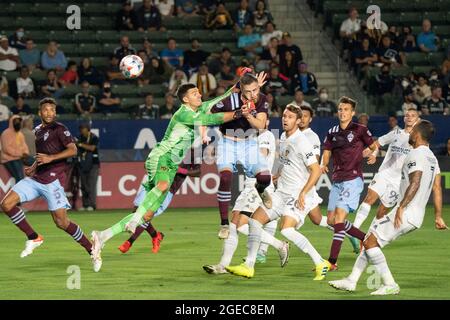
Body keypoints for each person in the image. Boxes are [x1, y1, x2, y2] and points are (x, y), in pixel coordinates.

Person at [90, 82, 243, 260]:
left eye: (199, 92)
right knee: (161, 186)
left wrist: (234, 89)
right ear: (185, 99)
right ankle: (133, 220)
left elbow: (216, 101)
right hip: (162, 157)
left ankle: (102, 236)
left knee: (147, 216)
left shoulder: (198, 110)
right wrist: (238, 113)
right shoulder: (184, 113)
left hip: (171, 167)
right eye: (194, 93)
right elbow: (212, 119)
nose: (199, 95)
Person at [330, 120, 447, 295]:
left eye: (412, 130)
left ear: (417, 134)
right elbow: (437, 188)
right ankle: (351, 280)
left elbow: (415, 182)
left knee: (370, 242)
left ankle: (390, 284)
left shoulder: (415, 155)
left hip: (406, 213)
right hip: (416, 215)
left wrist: (401, 206)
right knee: (370, 240)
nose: (409, 133)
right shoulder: (432, 158)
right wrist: (438, 215)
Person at [226, 105, 329, 280]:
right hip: (282, 192)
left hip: (296, 194)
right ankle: (248, 266)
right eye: (284, 116)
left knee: (287, 230)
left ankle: (320, 262)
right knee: (254, 221)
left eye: (289, 117)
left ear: (298, 121)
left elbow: (316, 170)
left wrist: (304, 193)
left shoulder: (302, 142)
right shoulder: (282, 137)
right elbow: (287, 162)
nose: (285, 119)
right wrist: (277, 175)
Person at [0, 98, 102, 271]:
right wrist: (33, 167)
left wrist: (51, 158)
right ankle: (33, 237)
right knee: (6, 204)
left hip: (52, 182)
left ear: (55, 113)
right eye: (45, 110)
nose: (48, 112)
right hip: (36, 178)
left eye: (51, 110)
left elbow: (73, 150)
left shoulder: (60, 129)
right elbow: (42, 155)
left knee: (62, 223)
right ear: (40, 113)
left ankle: (92, 249)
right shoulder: (38, 130)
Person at [203, 122, 284, 273]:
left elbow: (262, 155)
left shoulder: (266, 135)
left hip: (259, 186)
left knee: (240, 223)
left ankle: (277, 245)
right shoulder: (249, 136)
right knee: (234, 223)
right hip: (249, 185)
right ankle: (223, 265)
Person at [320, 96, 378, 273]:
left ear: (352, 112)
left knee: (338, 218)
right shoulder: (332, 131)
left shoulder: (360, 129)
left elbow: (373, 144)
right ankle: (364, 237)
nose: (342, 112)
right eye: (340, 109)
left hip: (353, 179)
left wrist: (373, 153)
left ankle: (332, 262)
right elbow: (327, 152)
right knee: (331, 220)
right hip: (337, 180)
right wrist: (323, 163)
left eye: (346, 109)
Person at [210, 72, 272, 238]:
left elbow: (260, 126)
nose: (253, 94)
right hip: (227, 142)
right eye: (249, 91)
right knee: (225, 178)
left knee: (265, 178)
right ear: (241, 91)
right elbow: (212, 116)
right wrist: (236, 113)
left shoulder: (262, 99)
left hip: (249, 142)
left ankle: (261, 190)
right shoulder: (229, 100)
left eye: (255, 90)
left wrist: (247, 115)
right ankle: (224, 224)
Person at [119, 149, 201, 254]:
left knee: (146, 214)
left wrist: (180, 170)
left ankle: (129, 242)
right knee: (136, 212)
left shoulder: (193, 153)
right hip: (152, 182)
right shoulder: (168, 145)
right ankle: (155, 235)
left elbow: (198, 172)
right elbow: (148, 163)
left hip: (167, 189)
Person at [353, 109, 420, 231]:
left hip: (399, 181)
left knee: (382, 211)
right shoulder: (395, 133)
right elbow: (377, 143)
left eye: (413, 116)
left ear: (418, 119)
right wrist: (372, 153)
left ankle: (368, 237)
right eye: (407, 115)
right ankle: (354, 230)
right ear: (404, 119)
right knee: (369, 198)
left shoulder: (419, 141)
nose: (410, 117)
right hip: (384, 173)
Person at [76, 123, 100, 211]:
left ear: (88, 129)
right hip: (82, 163)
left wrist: (80, 145)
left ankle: (92, 204)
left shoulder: (94, 137)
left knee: (91, 185)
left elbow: (92, 148)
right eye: (81, 129)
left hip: (93, 164)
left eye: (84, 129)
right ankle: (85, 204)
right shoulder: (80, 138)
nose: (82, 131)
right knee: (83, 185)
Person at [0, 115, 29, 183]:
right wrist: (21, 154)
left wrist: (25, 153)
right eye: (16, 122)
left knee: (37, 163)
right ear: (11, 122)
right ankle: (18, 191)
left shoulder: (20, 134)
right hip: (8, 159)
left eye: (19, 122)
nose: (18, 123)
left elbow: (24, 146)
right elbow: (7, 149)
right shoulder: (5, 134)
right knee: (19, 177)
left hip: (20, 157)